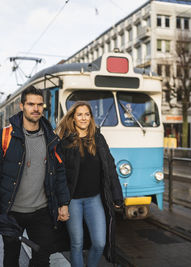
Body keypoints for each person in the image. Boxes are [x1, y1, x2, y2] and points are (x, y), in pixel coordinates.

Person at [0, 86, 70, 267]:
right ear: (22, 106)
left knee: (43, 258)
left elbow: (59, 173)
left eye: (39, 104)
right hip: (11, 211)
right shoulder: (4, 136)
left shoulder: (51, 138)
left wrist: (63, 204)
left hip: (42, 212)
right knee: (11, 256)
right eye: (31, 104)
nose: (36, 108)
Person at [56, 101, 123, 267]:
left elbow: (110, 167)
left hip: (94, 199)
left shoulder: (98, 139)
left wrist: (117, 195)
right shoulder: (64, 142)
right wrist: (61, 203)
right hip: (73, 201)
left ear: (91, 117)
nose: (83, 118)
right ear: (73, 118)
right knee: (77, 243)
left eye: (87, 114)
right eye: (79, 114)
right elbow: (59, 175)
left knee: (100, 242)